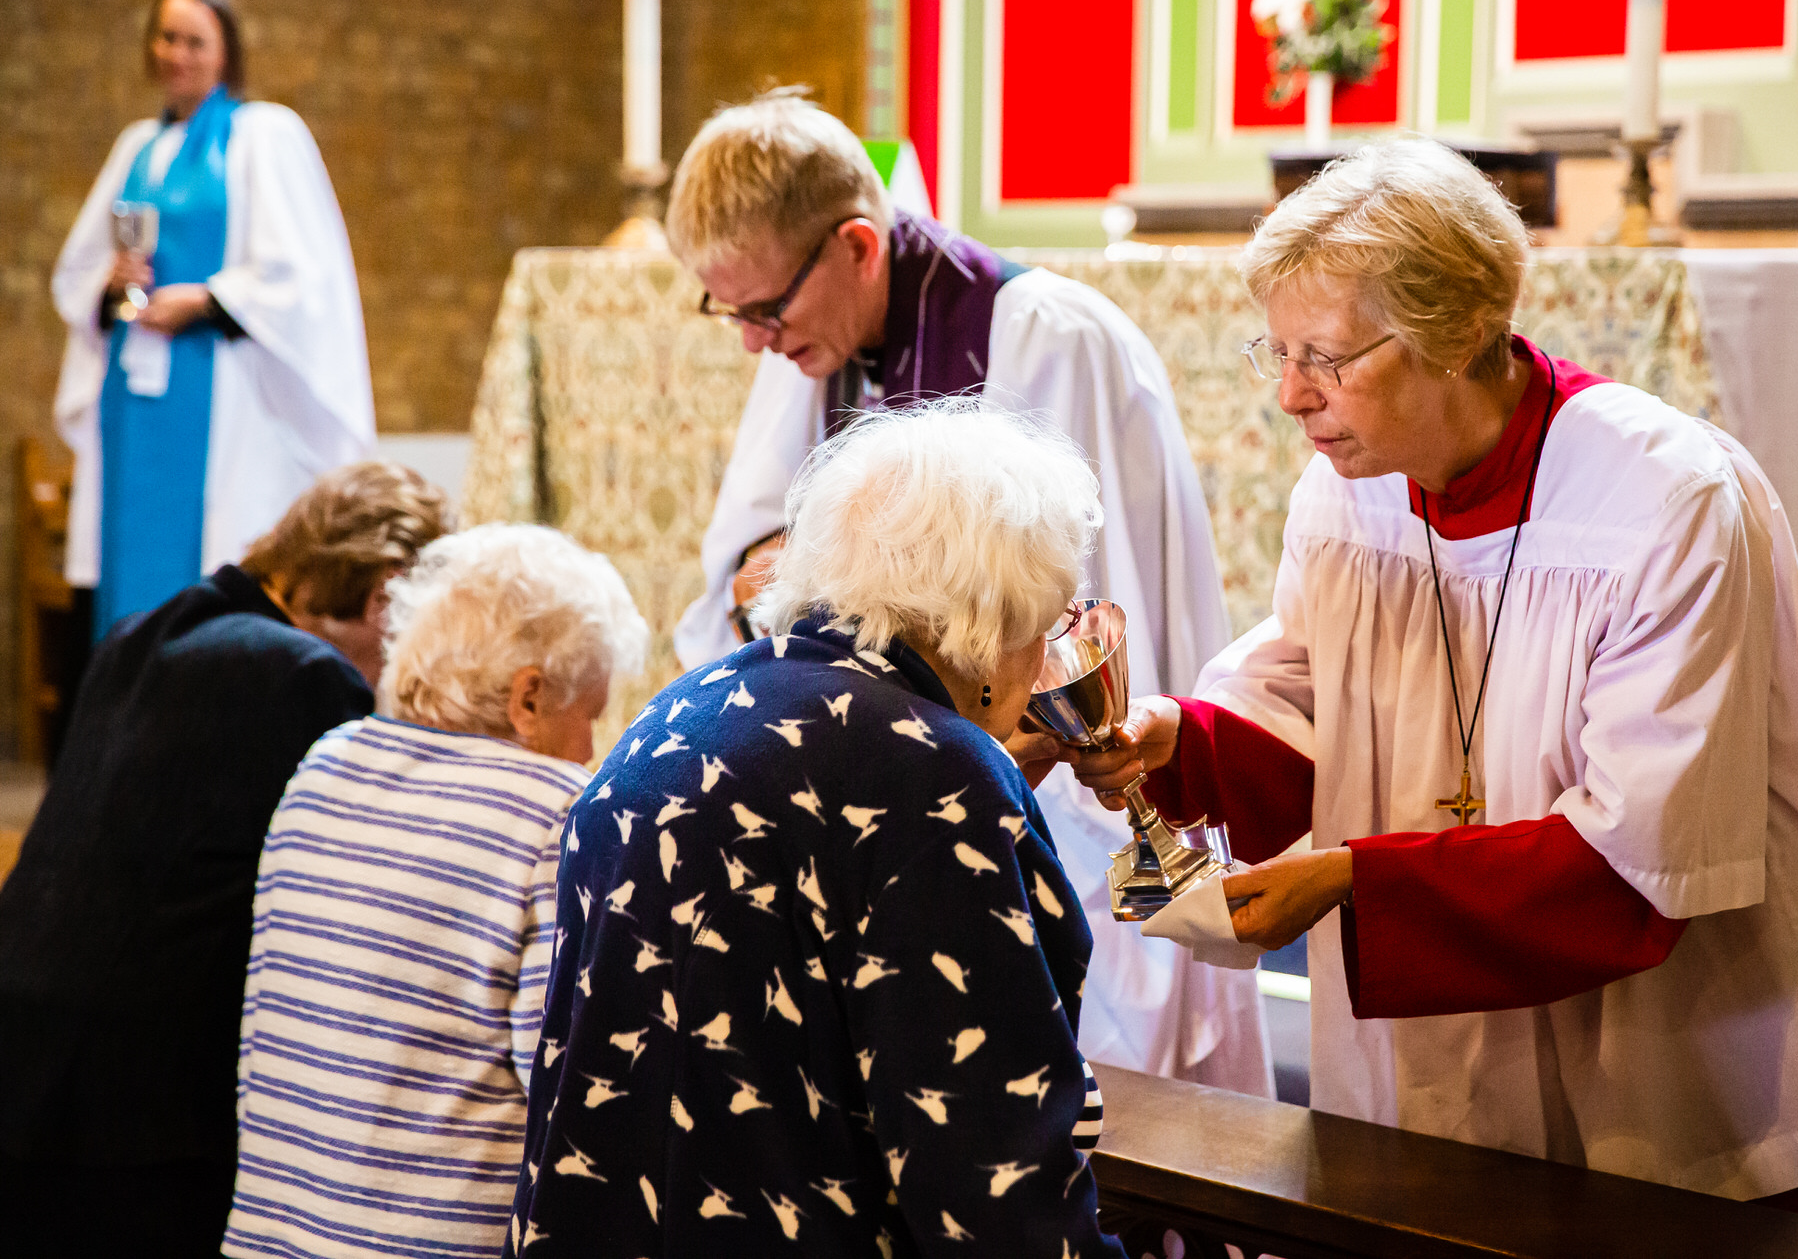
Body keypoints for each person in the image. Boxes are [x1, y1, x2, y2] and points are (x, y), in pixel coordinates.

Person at [1063, 138, 1798, 1220]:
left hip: (1685, 1038)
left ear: (1451, 336)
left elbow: (1639, 860)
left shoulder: (1660, 501)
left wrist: (1349, 877)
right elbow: (1322, 719)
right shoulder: (1344, 491)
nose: (1290, 397)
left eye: (1327, 356)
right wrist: (1174, 740)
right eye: (1276, 351)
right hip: (1443, 1040)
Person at [667, 91, 1266, 1096]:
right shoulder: (811, 339)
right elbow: (749, 568)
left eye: (764, 312)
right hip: (884, 818)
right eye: (730, 313)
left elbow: (1091, 631)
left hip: (1033, 804)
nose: (753, 345)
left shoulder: (1049, 341)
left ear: (859, 245)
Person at [507, 405, 1125, 1257]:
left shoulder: (682, 709)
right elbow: (991, 1174)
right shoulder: (933, 778)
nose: (1045, 648)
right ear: (996, 612)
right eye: (1049, 619)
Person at [0, 460, 449, 1258]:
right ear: (386, 595)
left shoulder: (144, 629)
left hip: (27, 1046)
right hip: (142, 1105)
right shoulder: (305, 677)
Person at [222, 524, 648, 1259]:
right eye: (590, 716)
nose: (590, 750)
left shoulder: (326, 764)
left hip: (274, 1236)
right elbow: (573, 1093)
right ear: (529, 697)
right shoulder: (555, 810)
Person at [50, 0, 374, 639]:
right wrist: (114, 285)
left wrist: (205, 298)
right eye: (167, 37)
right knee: (127, 581)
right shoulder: (136, 146)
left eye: (195, 40)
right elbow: (76, 271)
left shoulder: (264, 136)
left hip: (226, 400)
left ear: (225, 53)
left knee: (212, 571)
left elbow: (301, 274)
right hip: (137, 398)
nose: (177, 53)